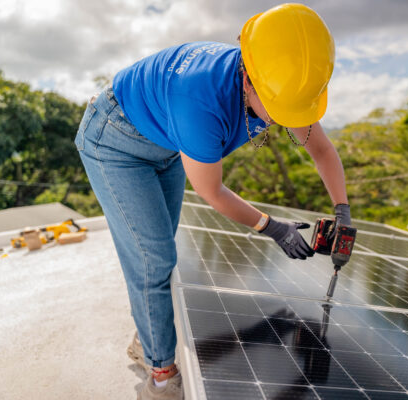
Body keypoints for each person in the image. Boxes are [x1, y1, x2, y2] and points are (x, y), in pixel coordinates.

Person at [75, 3, 351, 399]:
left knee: (160, 249)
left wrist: (342, 210)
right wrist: (271, 226)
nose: (280, 120)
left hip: (168, 142)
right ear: (248, 81)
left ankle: (149, 337)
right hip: (116, 141)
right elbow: (212, 192)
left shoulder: (280, 79)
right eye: (277, 111)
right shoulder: (200, 102)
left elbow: (323, 151)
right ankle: (161, 376)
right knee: (153, 258)